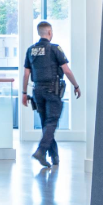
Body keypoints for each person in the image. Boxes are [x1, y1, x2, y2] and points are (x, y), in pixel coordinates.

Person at [21, 21, 81, 168]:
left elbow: (26, 74)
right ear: (49, 32)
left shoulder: (30, 50)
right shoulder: (55, 49)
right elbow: (66, 71)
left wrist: (24, 93)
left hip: (37, 91)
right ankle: (41, 151)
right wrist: (76, 85)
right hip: (52, 91)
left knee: (46, 124)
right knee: (52, 123)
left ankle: (54, 157)